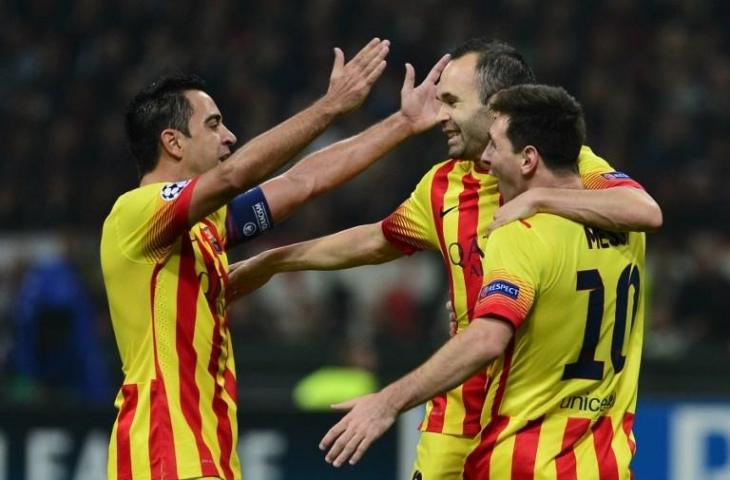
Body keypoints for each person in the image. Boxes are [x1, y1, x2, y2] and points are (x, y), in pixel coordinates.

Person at [227, 39, 661, 478]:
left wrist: (538, 200)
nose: (440, 116)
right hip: (459, 409)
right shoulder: (443, 185)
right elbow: (378, 239)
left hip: (533, 403)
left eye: (451, 101)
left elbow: (643, 211)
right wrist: (278, 260)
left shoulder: (570, 168)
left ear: (497, 110)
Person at [100, 38, 450, 480]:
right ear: (173, 141)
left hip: (206, 452)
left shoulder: (205, 225)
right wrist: (329, 107)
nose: (229, 136)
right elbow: (233, 175)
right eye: (213, 125)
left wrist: (402, 123)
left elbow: (302, 182)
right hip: (163, 454)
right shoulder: (137, 213)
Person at [320, 84, 646, 478]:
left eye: (494, 146)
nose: (486, 159)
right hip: (606, 462)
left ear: (528, 159)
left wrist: (388, 402)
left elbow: (488, 339)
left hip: (522, 462)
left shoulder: (520, 230)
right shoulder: (629, 229)